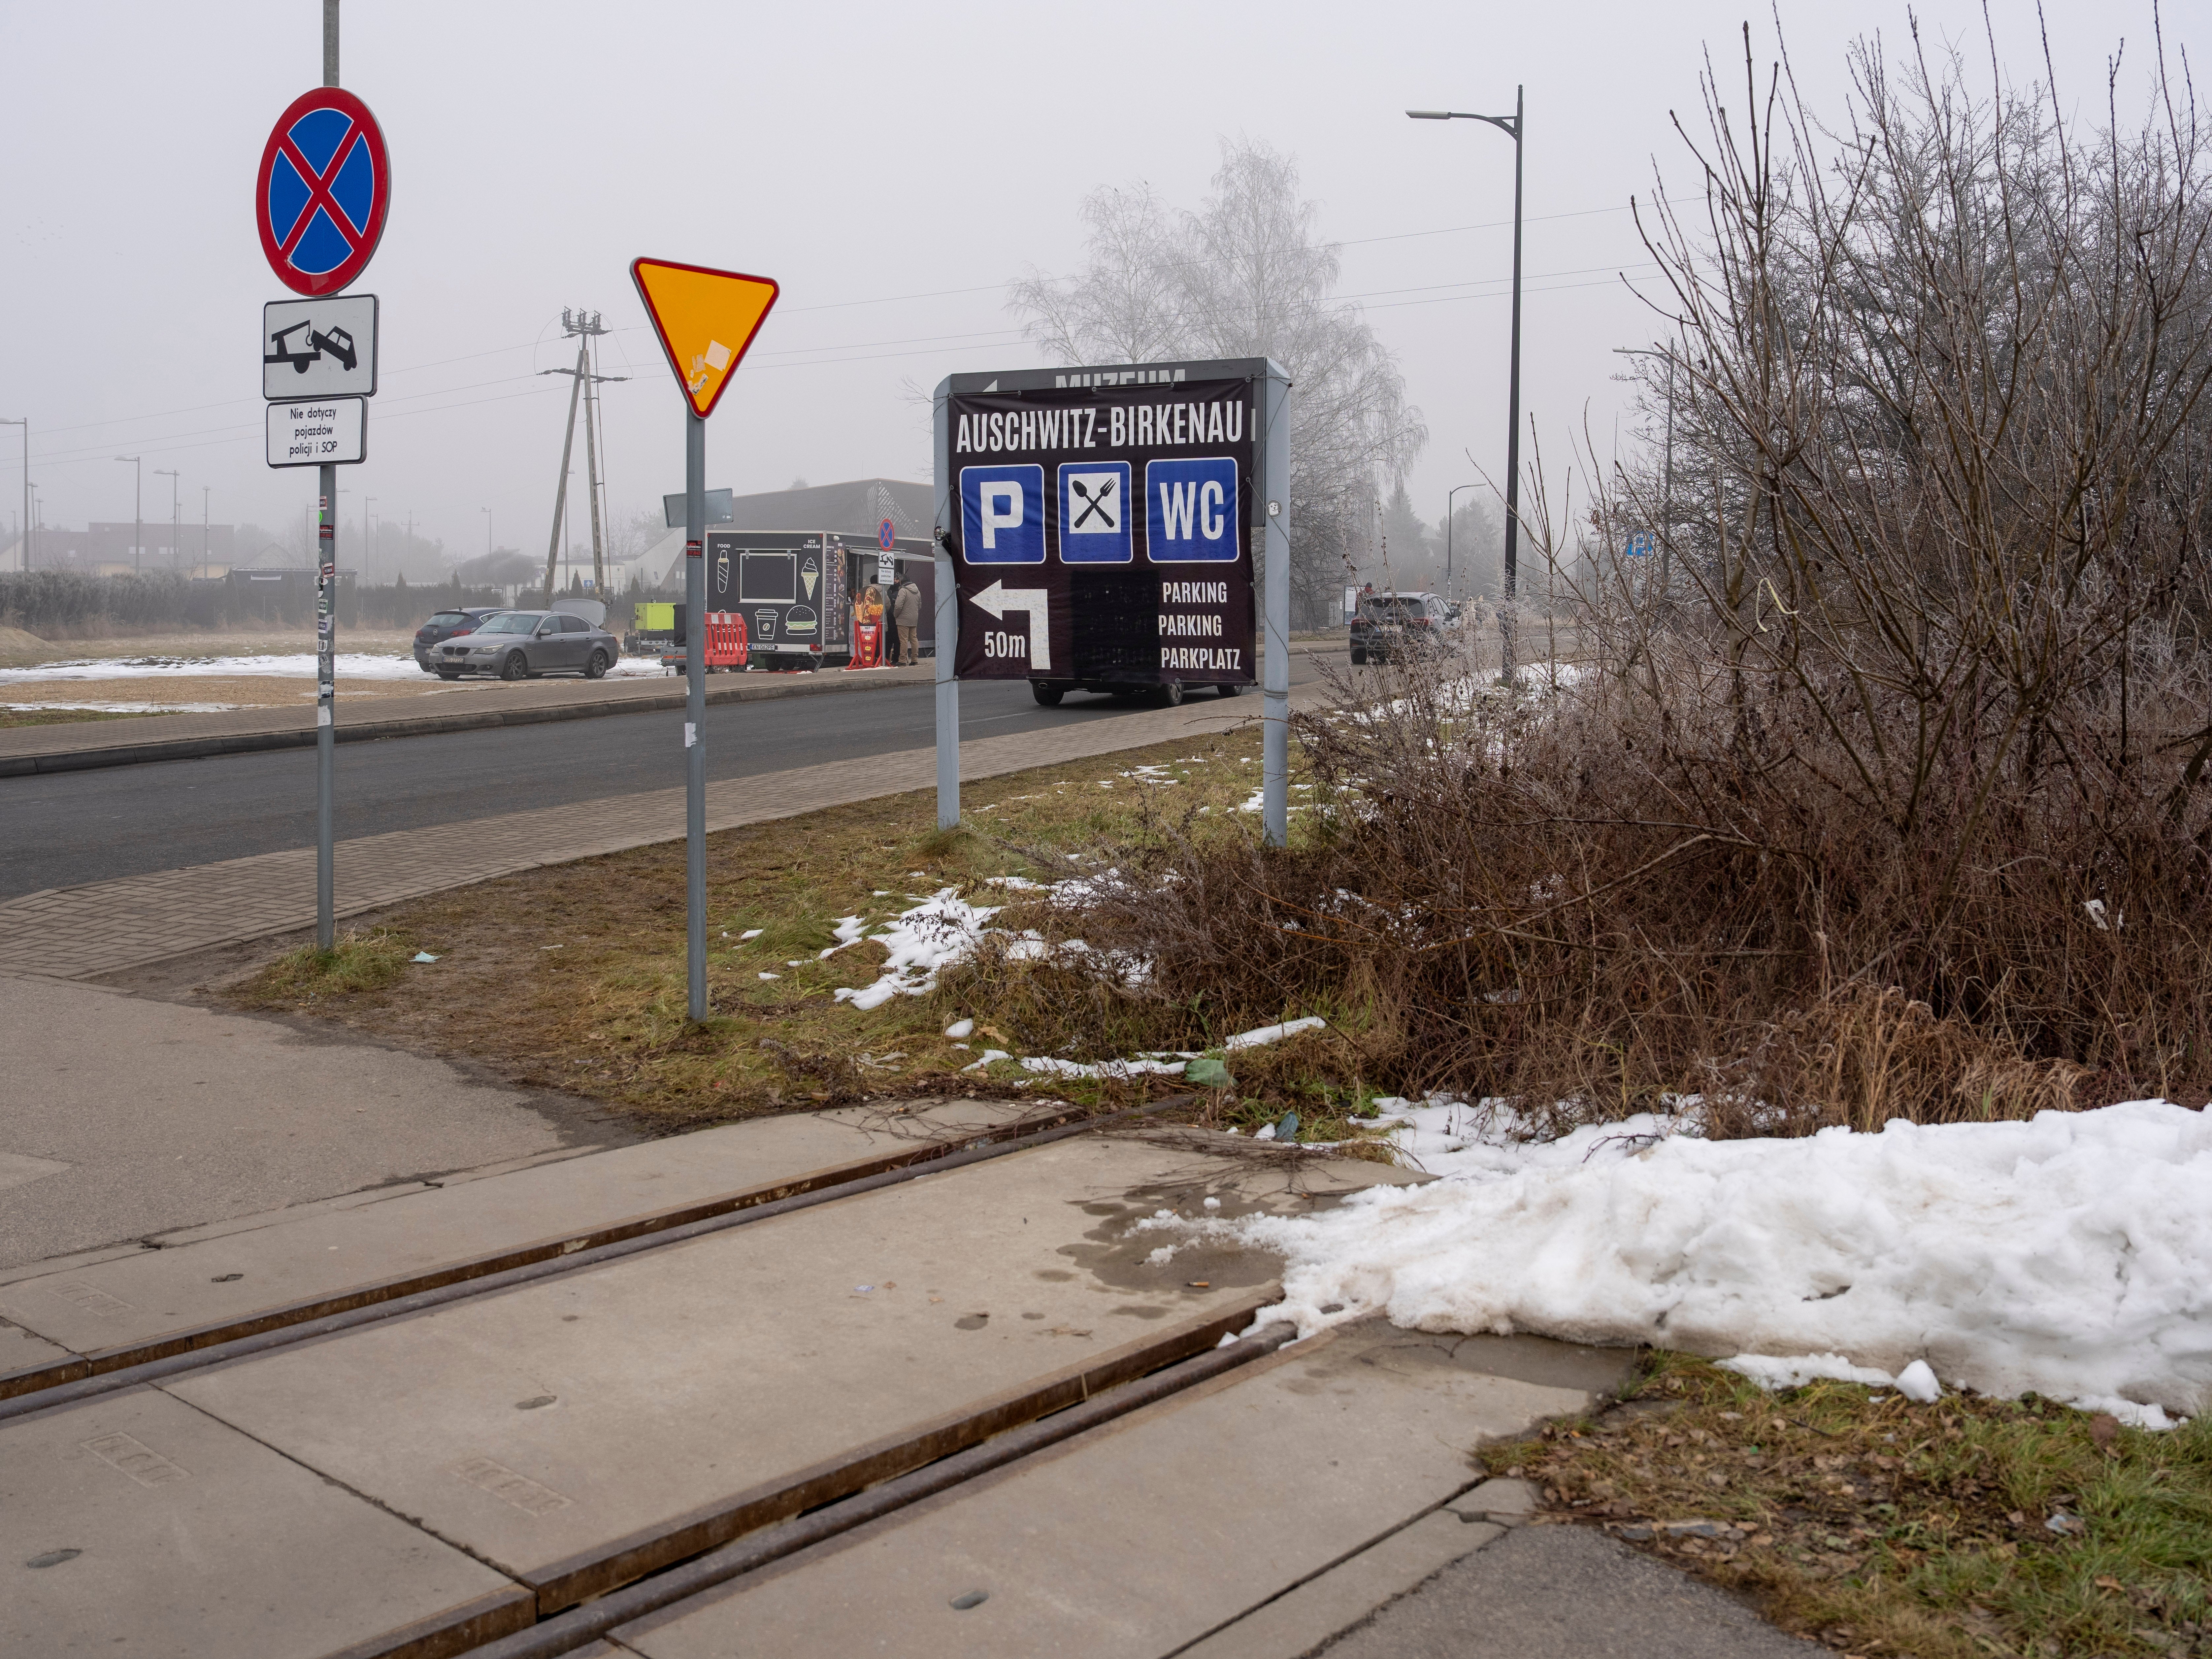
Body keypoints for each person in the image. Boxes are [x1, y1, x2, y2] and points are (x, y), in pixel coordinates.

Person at [893, 575, 921, 665]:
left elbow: (898, 606)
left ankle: (902, 660)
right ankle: (915, 660)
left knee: (904, 640)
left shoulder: (903, 590)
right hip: (914, 619)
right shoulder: (917, 591)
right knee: (914, 639)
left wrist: (896, 615)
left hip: (903, 619)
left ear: (902, 582)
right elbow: (920, 606)